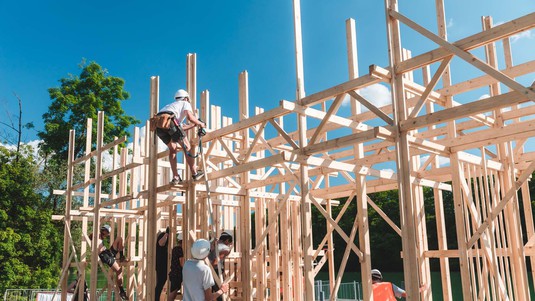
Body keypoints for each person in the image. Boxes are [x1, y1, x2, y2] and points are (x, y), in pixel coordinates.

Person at [155, 89, 206, 184]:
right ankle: (195, 173)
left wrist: (194, 125)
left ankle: (176, 177)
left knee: (172, 149)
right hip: (170, 122)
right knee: (187, 146)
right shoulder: (185, 103)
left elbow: (179, 128)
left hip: (159, 126)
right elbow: (190, 117)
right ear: (186, 98)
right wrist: (201, 124)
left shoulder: (170, 106)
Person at [90, 224, 128, 300]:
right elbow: (97, 250)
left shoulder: (100, 236)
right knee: (119, 271)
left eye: (107, 234)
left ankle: (121, 256)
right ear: (103, 231)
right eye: (106, 233)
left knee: (119, 238)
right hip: (105, 256)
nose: (107, 235)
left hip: (107, 253)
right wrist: (101, 249)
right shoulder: (97, 236)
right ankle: (122, 291)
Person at [167, 233, 185, 301]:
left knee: (174, 292)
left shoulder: (175, 248)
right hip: (177, 274)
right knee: (173, 293)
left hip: (174, 273)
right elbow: (182, 263)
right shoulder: (180, 249)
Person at [156, 227, 170, 300]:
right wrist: (167, 234)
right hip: (161, 265)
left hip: (165, 265)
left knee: (162, 284)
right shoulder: (163, 235)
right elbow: (161, 243)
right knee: (160, 283)